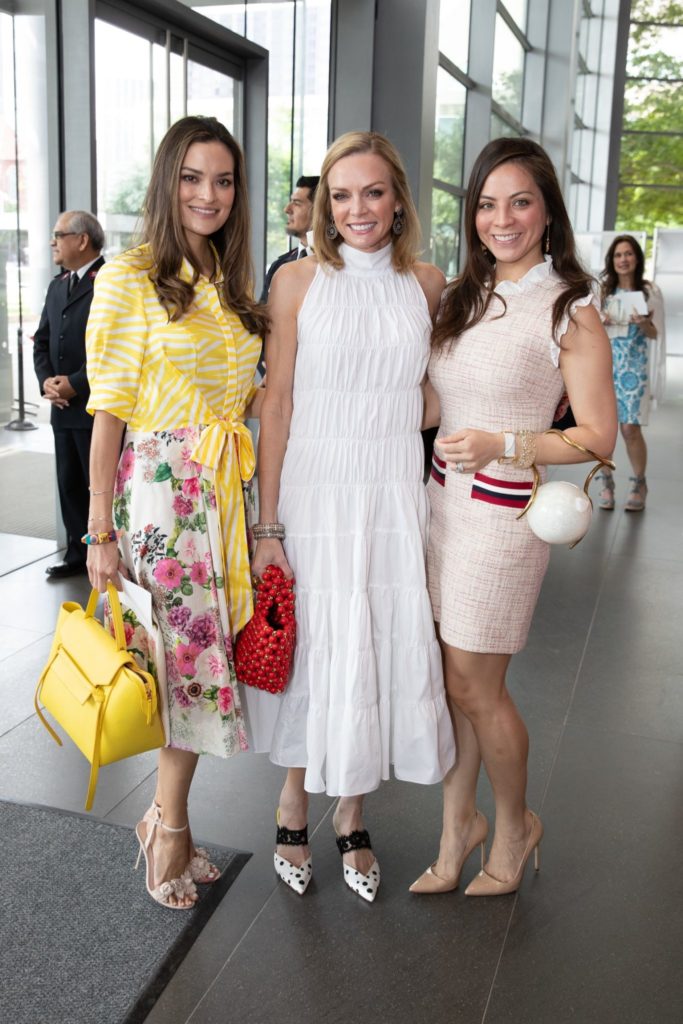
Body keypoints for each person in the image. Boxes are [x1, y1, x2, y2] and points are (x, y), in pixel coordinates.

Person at [252, 131, 455, 902]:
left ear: (398, 198)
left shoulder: (427, 283)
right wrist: (267, 524)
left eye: (371, 192)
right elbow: (277, 403)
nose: (356, 209)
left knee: (372, 640)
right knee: (321, 643)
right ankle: (292, 803)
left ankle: (351, 812)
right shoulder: (297, 282)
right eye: (340, 195)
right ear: (323, 206)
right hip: (315, 483)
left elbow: (436, 388)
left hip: (389, 484)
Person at [411, 137, 617, 898]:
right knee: (448, 680)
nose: (502, 219)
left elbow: (596, 434)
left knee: (477, 685)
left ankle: (514, 822)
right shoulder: (462, 292)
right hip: (438, 504)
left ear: (546, 211)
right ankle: (454, 827)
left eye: (520, 202)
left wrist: (505, 441)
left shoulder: (569, 306)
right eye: (487, 204)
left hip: (501, 518)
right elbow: (440, 399)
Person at [85, 116, 266, 909]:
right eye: (193, 178)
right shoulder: (127, 276)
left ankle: (170, 823)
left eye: (223, 180)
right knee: (177, 668)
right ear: (167, 183)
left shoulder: (228, 280)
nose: (209, 194)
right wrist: (98, 530)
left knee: (195, 670)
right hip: (161, 493)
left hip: (220, 495)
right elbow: (110, 414)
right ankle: (165, 828)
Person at [33, 211, 105, 579]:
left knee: (100, 486)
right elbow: (42, 341)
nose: (52, 242)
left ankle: (106, 553)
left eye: (58, 235)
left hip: (96, 407)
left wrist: (76, 382)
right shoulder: (57, 285)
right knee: (70, 484)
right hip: (63, 408)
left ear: (82, 239)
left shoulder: (109, 281)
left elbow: (114, 349)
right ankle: (77, 556)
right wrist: (48, 382)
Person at [596, 234, 665, 512]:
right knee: (605, 428)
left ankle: (639, 482)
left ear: (637, 258)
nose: (623, 260)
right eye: (618, 255)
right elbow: (591, 334)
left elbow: (654, 333)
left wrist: (642, 321)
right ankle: (606, 480)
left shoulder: (649, 292)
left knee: (629, 428)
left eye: (628, 254)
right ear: (612, 261)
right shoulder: (602, 292)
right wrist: (602, 321)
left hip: (633, 367)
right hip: (605, 365)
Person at [260, 175, 320, 301]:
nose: (287, 209)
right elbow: (261, 317)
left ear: (319, 210)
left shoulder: (337, 264)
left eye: (297, 203)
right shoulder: (278, 266)